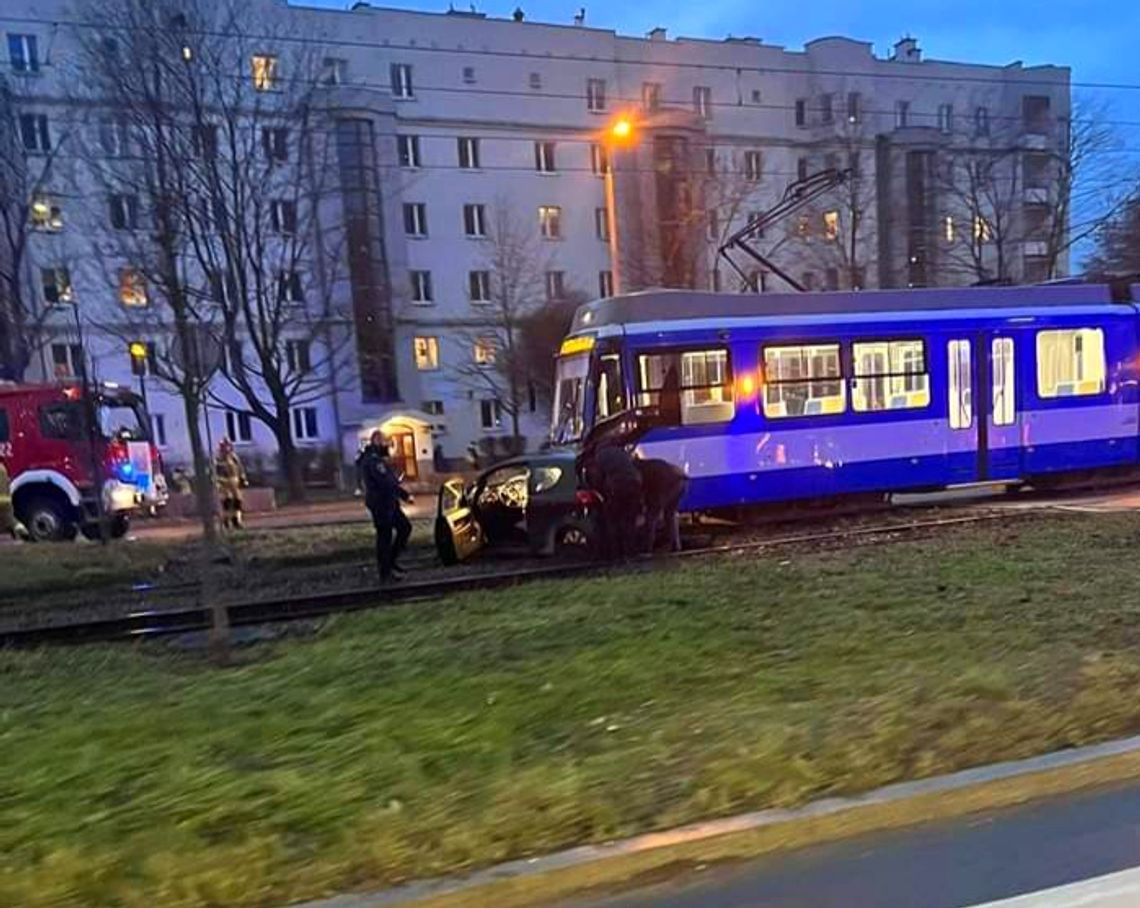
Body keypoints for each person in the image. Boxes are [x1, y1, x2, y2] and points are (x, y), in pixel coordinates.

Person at [358, 430, 413, 582]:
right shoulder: (373, 460)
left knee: (404, 527)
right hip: (381, 504)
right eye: (385, 441)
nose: (387, 445)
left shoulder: (378, 459)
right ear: (376, 441)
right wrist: (404, 495)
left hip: (389, 502)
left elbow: (390, 480)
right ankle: (385, 572)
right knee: (384, 537)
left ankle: (391, 561)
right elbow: (385, 482)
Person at [583, 438, 643, 561]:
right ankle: (630, 552)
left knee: (613, 520)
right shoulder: (622, 452)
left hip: (617, 487)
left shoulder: (599, 456)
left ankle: (614, 553)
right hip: (635, 485)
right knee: (629, 521)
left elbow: (598, 478)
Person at [636, 458, 688, 553]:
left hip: (666, 482)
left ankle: (647, 548)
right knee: (670, 514)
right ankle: (676, 545)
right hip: (680, 480)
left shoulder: (638, 470)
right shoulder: (649, 465)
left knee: (651, 517)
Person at [214, 438, 248, 530]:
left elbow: (240, 468)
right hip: (224, 483)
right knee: (227, 502)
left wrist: (243, 479)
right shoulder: (218, 459)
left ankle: (236, 520)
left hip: (234, 482)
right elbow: (215, 472)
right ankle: (226, 521)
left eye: (228, 446)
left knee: (237, 502)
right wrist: (218, 482)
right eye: (224, 446)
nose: (226, 449)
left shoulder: (234, 457)